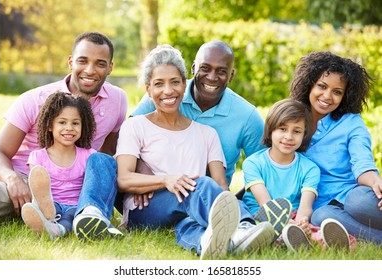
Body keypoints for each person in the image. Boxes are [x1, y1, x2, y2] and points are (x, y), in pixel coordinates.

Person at [73, 44, 277, 259]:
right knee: (199, 184)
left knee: (191, 223)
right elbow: (123, 179)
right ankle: (244, 227)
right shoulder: (136, 126)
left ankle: (214, 241)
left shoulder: (208, 134)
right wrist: (165, 180)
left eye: (174, 82)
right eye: (159, 84)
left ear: (183, 84)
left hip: (187, 208)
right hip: (146, 209)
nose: (168, 91)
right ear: (148, 90)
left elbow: (222, 187)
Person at [0, 32, 128, 220]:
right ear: (71, 62)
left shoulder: (117, 99)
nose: (90, 70)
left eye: (100, 63)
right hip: (27, 182)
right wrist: (11, 179)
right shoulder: (34, 100)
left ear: (110, 68)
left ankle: (84, 214)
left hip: (76, 188)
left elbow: (106, 155)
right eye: (83, 61)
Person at [132, 40, 264, 187]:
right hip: (159, 188)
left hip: (212, 197)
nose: (212, 77)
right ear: (194, 68)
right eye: (205, 68)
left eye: (221, 71)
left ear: (231, 75)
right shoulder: (167, 94)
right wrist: (145, 177)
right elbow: (126, 135)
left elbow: (264, 169)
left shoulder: (247, 116)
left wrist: (238, 202)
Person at [290, 51, 382, 245]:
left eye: (337, 91)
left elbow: (362, 162)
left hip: (354, 196)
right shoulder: (292, 123)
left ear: (345, 95)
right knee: (321, 217)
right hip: (323, 204)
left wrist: (376, 182)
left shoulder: (351, 123)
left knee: (357, 201)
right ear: (309, 85)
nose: (327, 96)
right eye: (322, 86)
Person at [242, 98, 353, 251]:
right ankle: (285, 238)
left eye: (296, 131)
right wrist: (284, 223)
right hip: (261, 215)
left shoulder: (310, 168)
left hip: (294, 216)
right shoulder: (253, 163)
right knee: (261, 230)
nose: (289, 136)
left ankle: (321, 240)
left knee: (310, 229)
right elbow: (265, 202)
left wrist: (301, 222)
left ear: (304, 135)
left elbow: (306, 205)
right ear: (270, 130)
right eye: (282, 129)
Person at [22, 91, 101, 239]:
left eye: (75, 123)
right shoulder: (38, 157)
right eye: (62, 122)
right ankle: (44, 213)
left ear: (84, 126)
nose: (69, 128)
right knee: (52, 208)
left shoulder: (90, 155)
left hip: (76, 205)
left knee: (72, 215)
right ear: (50, 125)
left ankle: (57, 230)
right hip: (53, 203)